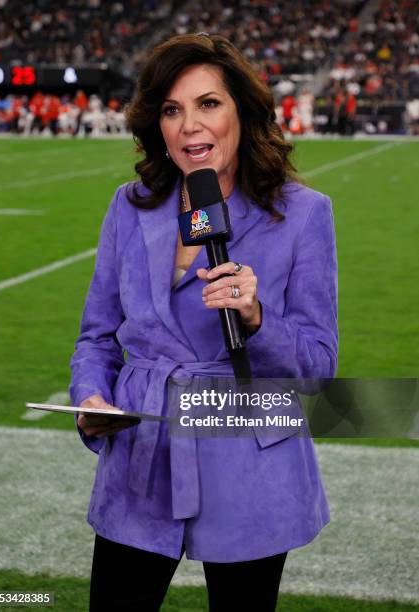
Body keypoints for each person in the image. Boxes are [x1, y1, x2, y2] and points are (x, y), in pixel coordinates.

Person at [70, 33, 338, 612]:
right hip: (142, 453)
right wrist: (90, 397)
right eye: (172, 109)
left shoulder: (304, 214)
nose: (190, 125)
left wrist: (257, 317)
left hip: (247, 453)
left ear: (243, 111)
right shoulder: (129, 204)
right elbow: (96, 336)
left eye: (208, 103)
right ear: (156, 126)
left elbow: (319, 365)